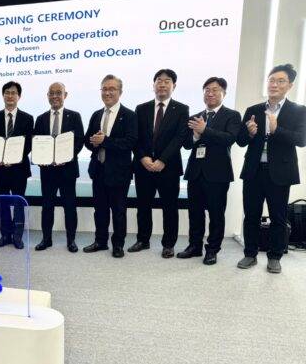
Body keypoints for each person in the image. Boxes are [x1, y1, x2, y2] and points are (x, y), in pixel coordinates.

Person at [236, 64, 306, 274]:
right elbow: (240, 141)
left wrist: (277, 129)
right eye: (271, 80)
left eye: (280, 81)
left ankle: (275, 257)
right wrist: (249, 133)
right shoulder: (253, 110)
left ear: (290, 85)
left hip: (280, 172)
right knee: (251, 215)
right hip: (254, 170)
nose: (274, 84)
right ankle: (250, 254)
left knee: (278, 217)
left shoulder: (299, 111)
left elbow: (301, 140)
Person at [178, 77, 241, 265]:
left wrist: (205, 130)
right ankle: (194, 246)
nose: (210, 93)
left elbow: (229, 139)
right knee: (195, 212)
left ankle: (212, 250)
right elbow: (187, 144)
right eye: (206, 90)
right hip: (195, 172)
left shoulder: (232, 115)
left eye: (214, 90)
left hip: (218, 173)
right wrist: (195, 135)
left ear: (224, 93)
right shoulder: (195, 116)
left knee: (216, 214)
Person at [129, 69, 189, 258]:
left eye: (167, 81)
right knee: (143, 206)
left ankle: (168, 244)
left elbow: (180, 138)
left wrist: (162, 160)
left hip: (168, 167)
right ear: (153, 85)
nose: (162, 84)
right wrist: (142, 157)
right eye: (159, 81)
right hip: (144, 166)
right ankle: (143, 240)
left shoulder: (182, 109)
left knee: (170, 207)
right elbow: (135, 137)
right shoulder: (141, 108)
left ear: (174, 86)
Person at [83, 75, 137, 258]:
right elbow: (87, 141)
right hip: (98, 170)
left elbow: (130, 142)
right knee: (100, 210)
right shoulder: (96, 114)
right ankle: (100, 241)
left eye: (112, 89)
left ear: (120, 92)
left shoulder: (129, 115)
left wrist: (104, 141)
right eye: (104, 89)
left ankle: (118, 245)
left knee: (119, 211)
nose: (107, 92)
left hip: (119, 172)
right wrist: (93, 142)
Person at [33, 82, 84, 253]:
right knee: (47, 206)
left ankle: (71, 240)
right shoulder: (40, 118)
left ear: (65, 95)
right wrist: (39, 157)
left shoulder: (74, 116)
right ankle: (46, 239)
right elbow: (36, 142)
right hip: (47, 171)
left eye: (58, 93)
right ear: (48, 96)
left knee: (69, 207)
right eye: (51, 93)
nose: (55, 96)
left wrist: (66, 157)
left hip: (67, 170)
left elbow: (79, 141)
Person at [0, 81, 33, 249]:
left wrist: (13, 158)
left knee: (19, 204)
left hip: (19, 169)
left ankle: (17, 237)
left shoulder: (28, 118)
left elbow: (28, 144)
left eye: (13, 93)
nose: (10, 96)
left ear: (19, 96)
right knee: (3, 204)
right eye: (7, 92)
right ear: (3, 95)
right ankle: (5, 235)